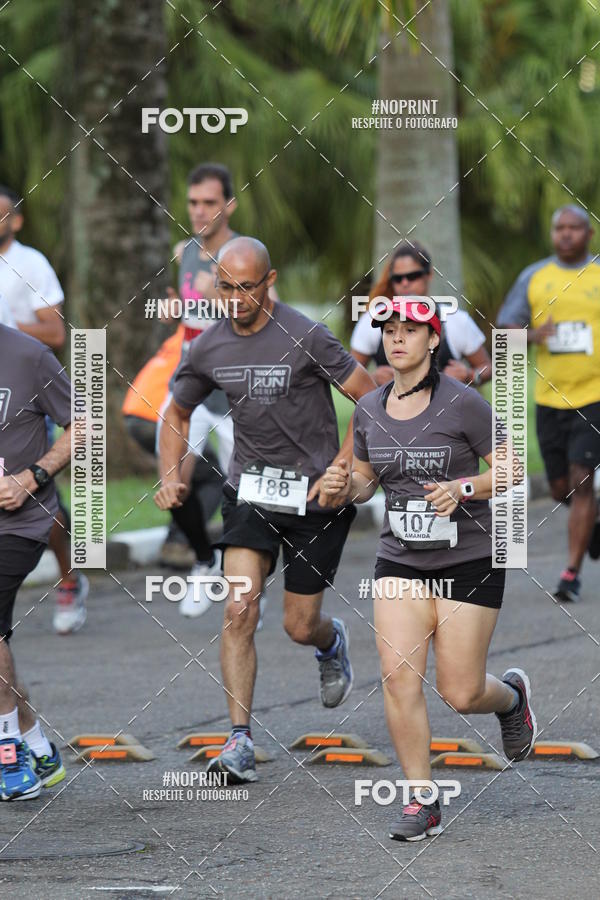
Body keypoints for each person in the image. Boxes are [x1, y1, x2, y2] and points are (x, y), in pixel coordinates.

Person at [155, 236, 376, 783]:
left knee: (298, 626)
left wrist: (342, 468)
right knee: (238, 612)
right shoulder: (208, 347)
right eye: (224, 286)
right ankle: (239, 741)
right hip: (251, 492)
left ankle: (330, 641)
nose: (232, 298)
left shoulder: (306, 335)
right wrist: (169, 475)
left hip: (316, 498)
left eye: (244, 287)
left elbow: (369, 399)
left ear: (269, 280)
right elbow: (176, 413)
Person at [322, 298, 536, 842]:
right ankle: (422, 798)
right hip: (399, 561)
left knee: (460, 693)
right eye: (388, 331)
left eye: (409, 331)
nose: (397, 340)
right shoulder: (368, 408)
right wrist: (342, 485)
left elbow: (511, 466)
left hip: (469, 559)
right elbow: (367, 482)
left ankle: (511, 698)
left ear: (433, 341)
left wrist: (463, 488)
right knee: (397, 678)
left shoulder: (463, 404)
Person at [497, 204, 600, 602]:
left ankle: (570, 574)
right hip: (549, 397)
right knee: (561, 489)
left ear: (589, 234)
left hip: (594, 395)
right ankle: (592, 520)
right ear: (553, 233)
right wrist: (532, 335)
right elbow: (507, 333)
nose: (568, 234)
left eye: (576, 228)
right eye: (561, 228)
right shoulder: (534, 277)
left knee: (582, 478)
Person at [0, 185, 88, 634]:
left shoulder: (30, 263)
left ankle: (70, 579)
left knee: (39, 491)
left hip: (30, 385)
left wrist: (11, 331)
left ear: (15, 219)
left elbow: (54, 333)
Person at [0, 323, 72, 799]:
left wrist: (33, 475)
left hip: (18, 524)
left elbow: (84, 425)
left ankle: (8, 752)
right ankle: (33, 739)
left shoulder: (29, 356)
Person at [351, 241, 491, 387]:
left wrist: (471, 375)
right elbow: (350, 375)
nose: (405, 283)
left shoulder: (455, 320)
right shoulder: (373, 318)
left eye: (413, 276)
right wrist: (372, 378)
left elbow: (487, 366)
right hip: (390, 409)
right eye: (397, 278)